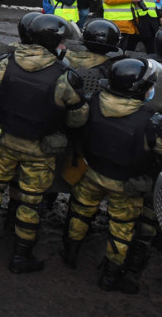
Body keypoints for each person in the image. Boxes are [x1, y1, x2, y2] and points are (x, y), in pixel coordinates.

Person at [0, 14, 88, 273]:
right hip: (40, 150)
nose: (63, 46)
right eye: (61, 42)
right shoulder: (65, 78)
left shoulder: (3, 65)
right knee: (31, 202)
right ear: (52, 43)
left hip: (4, 141)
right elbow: (78, 119)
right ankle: (20, 255)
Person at [62, 57, 162, 294]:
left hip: (92, 173)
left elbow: (76, 127)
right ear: (139, 89)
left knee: (79, 212)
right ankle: (109, 277)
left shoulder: (92, 102)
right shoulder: (151, 122)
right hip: (127, 185)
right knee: (121, 229)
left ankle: (70, 254)